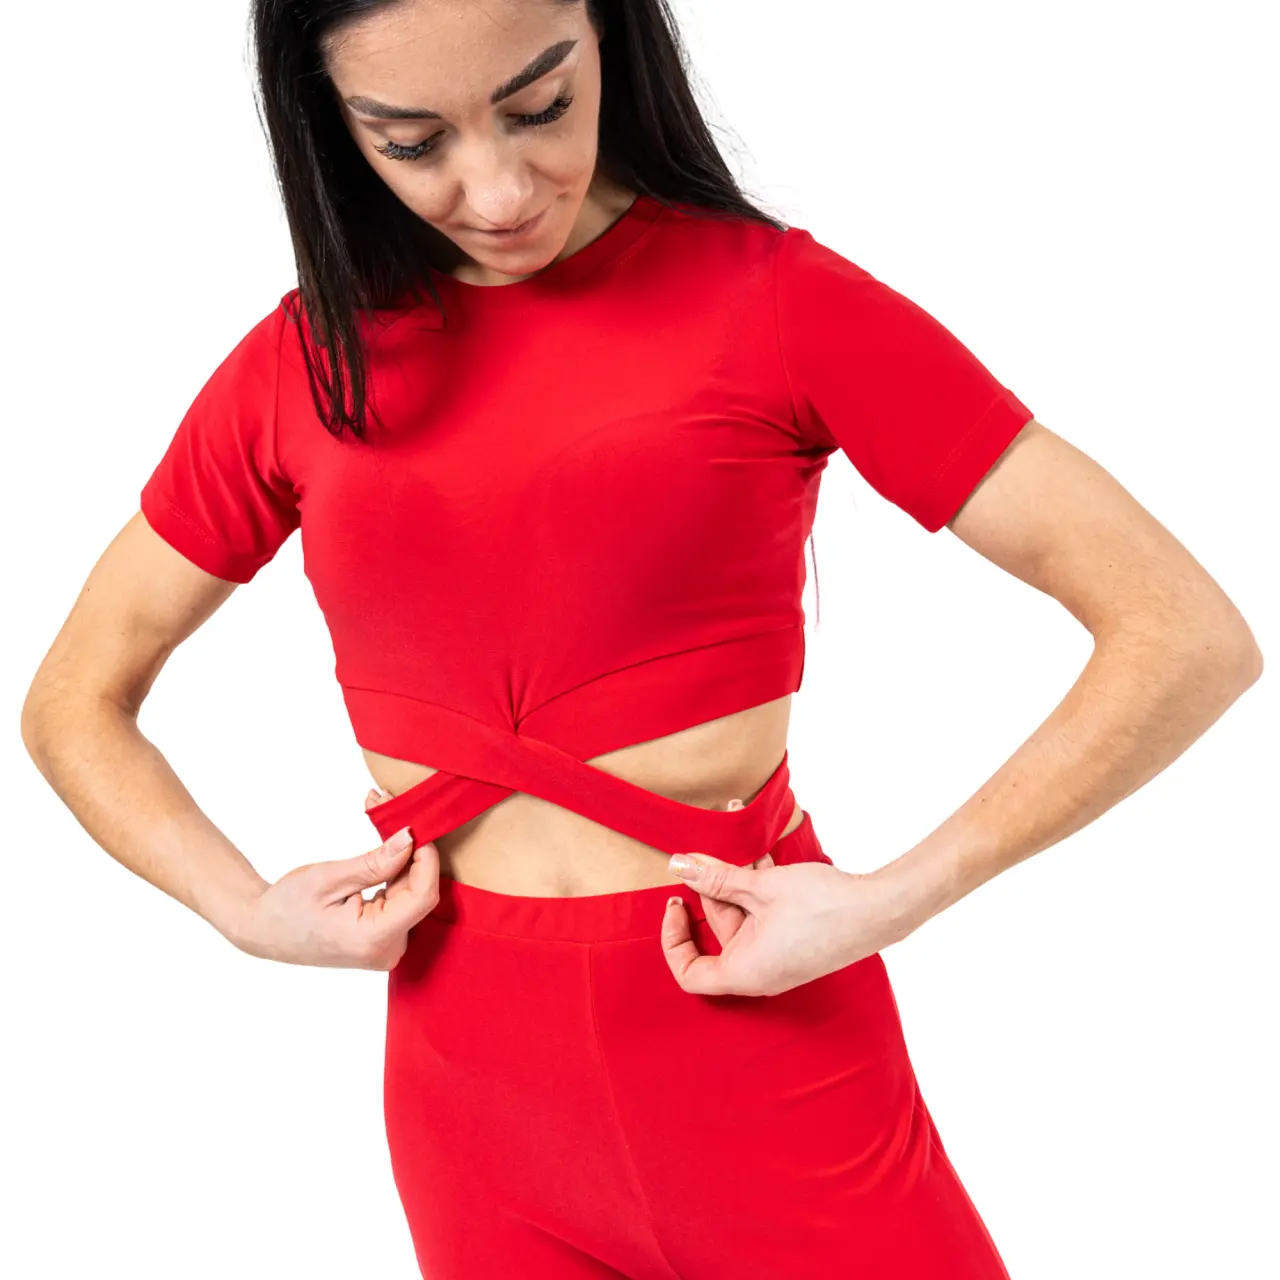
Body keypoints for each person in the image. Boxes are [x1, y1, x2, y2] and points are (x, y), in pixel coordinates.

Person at [20, 1, 1263, 1277]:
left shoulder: (777, 302)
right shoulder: (302, 366)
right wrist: (244, 910)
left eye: (539, 107)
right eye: (413, 141)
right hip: (473, 1102)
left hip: (762, 1034)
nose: (498, 191)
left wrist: (897, 895)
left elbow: (1181, 631)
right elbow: (73, 699)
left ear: (610, 36)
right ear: (332, 126)